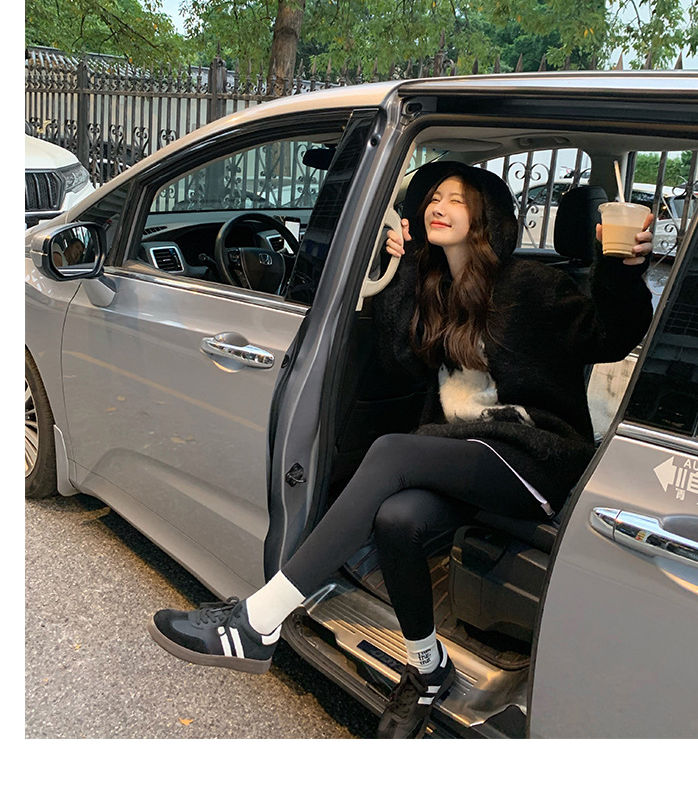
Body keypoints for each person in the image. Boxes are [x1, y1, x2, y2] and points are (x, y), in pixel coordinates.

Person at [148, 161, 654, 739]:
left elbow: (610, 335)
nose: (438, 206)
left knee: (391, 451)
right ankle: (427, 666)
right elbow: (398, 357)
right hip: (467, 451)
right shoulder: (437, 285)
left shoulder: (531, 283)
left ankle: (258, 622)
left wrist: (621, 267)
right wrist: (405, 267)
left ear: (486, 216)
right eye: (434, 197)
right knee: (397, 520)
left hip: (533, 454)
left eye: (456, 199)